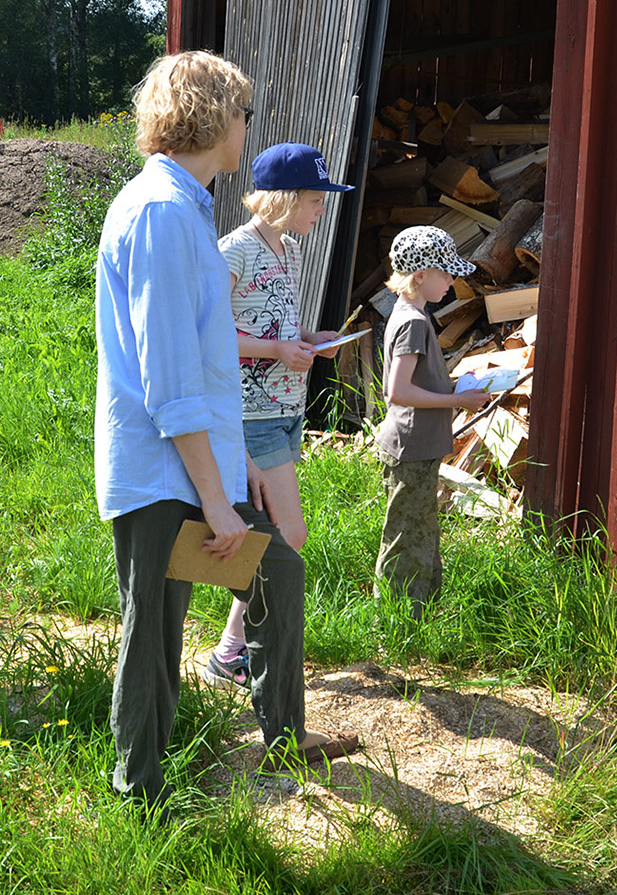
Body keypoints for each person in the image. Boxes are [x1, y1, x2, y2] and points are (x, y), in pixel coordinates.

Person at [95, 52, 359, 809]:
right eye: (244, 113)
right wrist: (216, 502)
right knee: (153, 632)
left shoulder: (186, 206)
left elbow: (207, 367)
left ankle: (285, 738)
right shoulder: (161, 213)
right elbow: (172, 378)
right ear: (213, 117)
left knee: (279, 573)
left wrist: (233, 459)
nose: (248, 127)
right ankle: (139, 794)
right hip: (161, 471)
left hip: (200, 461)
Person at [201, 142, 354, 692]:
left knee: (276, 538)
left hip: (286, 409)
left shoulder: (288, 250)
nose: (320, 212)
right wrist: (277, 353)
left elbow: (275, 327)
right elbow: (208, 334)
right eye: (315, 201)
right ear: (287, 198)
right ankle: (235, 651)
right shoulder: (233, 251)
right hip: (249, 415)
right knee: (288, 536)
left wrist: (312, 341)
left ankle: (231, 651)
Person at [374, 226, 490, 618]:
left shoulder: (415, 314)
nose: (452, 280)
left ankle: (420, 614)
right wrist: (457, 399)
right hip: (410, 446)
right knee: (406, 534)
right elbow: (398, 391)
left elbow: (417, 381)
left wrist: (456, 385)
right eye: (446, 273)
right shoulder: (413, 322)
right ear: (420, 276)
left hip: (419, 445)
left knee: (420, 530)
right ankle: (394, 619)